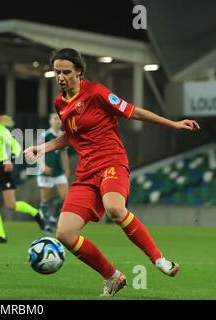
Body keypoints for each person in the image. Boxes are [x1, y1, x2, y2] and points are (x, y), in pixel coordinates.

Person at [24, 48, 200, 296]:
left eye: (66, 72)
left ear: (79, 72)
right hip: (86, 173)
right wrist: (43, 147)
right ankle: (113, 277)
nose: (61, 77)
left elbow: (133, 111)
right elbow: (70, 135)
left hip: (111, 162)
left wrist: (172, 123)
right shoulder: (59, 103)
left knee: (115, 209)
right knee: (64, 233)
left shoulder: (96, 93)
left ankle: (159, 259)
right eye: (57, 72)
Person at [0, 100, 46, 243]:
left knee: (10, 205)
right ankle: (1, 235)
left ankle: (36, 213)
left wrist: (10, 160)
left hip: (2, 167)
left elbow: (16, 146)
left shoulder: (0, 129)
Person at [37, 113, 70, 233]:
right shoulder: (45, 135)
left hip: (58, 171)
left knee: (65, 199)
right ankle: (45, 225)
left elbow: (63, 154)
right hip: (46, 172)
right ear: (50, 122)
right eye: (55, 119)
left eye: (59, 119)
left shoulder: (62, 136)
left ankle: (52, 219)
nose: (57, 121)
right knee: (45, 200)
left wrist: (67, 169)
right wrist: (43, 165)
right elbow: (37, 152)